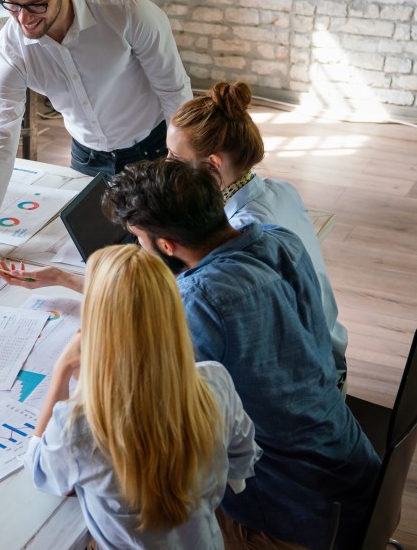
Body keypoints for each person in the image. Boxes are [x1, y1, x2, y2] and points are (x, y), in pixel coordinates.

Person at [99, 160, 378, 550]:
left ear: (165, 246)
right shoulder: (280, 240)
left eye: (138, 238)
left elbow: (161, 414)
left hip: (288, 513)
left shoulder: (198, 301)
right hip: (353, 470)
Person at [0, 0, 192, 274]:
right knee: (97, 268)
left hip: (152, 151)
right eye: (11, 4)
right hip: (88, 159)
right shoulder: (12, 46)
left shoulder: (125, 10)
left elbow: (175, 92)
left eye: (36, 5)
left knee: (163, 266)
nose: (23, 19)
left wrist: (178, 166)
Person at [26, 244, 261, 549]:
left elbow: (40, 471)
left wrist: (62, 369)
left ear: (98, 327)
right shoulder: (215, 381)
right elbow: (242, 461)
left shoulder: (81, 425)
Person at [167, 80, 348, 390]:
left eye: (175, 159)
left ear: (213, 164)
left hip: (311, 378)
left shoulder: (244, 233)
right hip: (329, 346)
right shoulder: (281, 190)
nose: (167, 165)